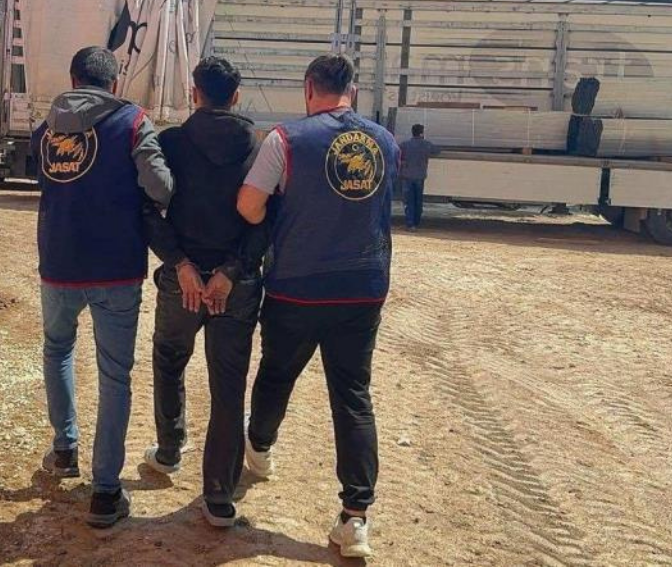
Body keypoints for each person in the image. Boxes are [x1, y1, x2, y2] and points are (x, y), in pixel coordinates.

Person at [236, 54, 398, 559]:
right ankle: (355, 517)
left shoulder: (285, 139)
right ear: (353, 90)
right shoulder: (386, 142)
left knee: (277, 373)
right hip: (362, 286)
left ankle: (259, 449)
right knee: (352, 395)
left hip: (298, 285)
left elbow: (248, 205)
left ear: (309, 88)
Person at [33, 46, 173, 528]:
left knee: (58, 350)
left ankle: (64, 450)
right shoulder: (132, 123)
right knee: (114, 376)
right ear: (114, 84)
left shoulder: (47, 127)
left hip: (58, 263)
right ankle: (106, 492)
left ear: (74, 79)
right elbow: (160, 187)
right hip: (116, 268)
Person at [140, 56, 268, 528]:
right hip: (234, 287)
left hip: (184, 282)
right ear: (236, 96)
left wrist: (180, 264)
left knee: (169, 359)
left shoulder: (170, 143)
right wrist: (232, 270)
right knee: (228, 385)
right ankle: (219, 496)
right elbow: (267, 220)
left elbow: (148, 210)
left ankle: (169, 449)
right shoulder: (259, 148)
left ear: (195, 93)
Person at [398, 123, 440, 230]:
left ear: (412, 132)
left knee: (409, 201)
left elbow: (397, 153)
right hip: (420, 176)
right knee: (418, 200)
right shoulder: (426, 144)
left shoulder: (405, 144)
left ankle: (410, 223)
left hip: (407, 176)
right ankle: (416, 222)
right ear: (422, 133)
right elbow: (437, 151)